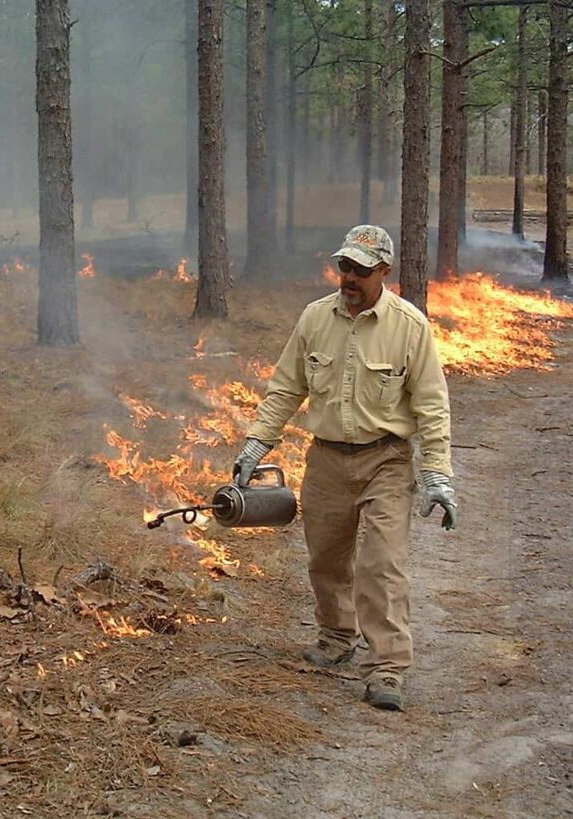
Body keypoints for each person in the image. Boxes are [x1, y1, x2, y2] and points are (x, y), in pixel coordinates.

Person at [233, 225, 456, 712]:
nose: (349, 277)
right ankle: (336, 637)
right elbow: (286, 388)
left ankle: (388, 667)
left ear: (384, 271)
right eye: (344, 266)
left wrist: (438, 474)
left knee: (382, 564)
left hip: (387, 461)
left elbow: (432, 407)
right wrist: (255, 447)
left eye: (360, 268)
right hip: (328, 460)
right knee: (327, 559)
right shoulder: (315, 318)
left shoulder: (409, 325)